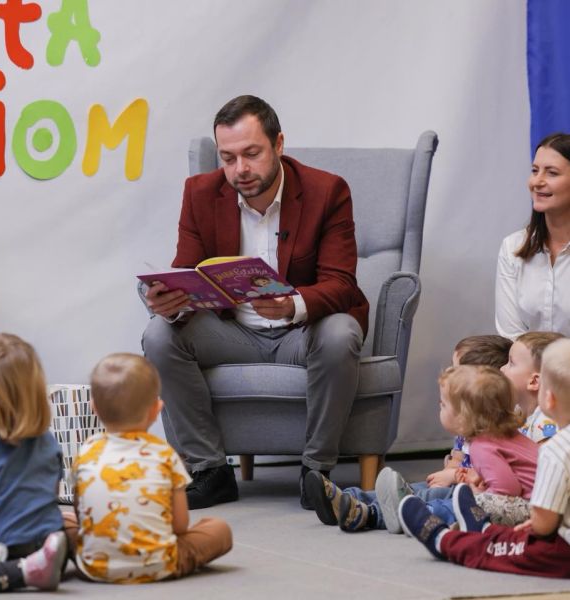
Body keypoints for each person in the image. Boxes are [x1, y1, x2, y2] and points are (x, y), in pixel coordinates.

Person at [141, 95, 369, 510]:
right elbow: (187, 271)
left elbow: (341, 284)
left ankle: (315, 472)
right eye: (228, 158)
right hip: (232, 332)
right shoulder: (200, 193)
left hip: (302, 332)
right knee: (159, 335)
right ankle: (210, 471)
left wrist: (293, 304)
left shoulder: (327, 191)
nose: (240, 169)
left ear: (278, 144)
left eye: (251, 154)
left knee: (342, 332)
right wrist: (169, 300)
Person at [399, 338, 570, 578]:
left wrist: (482, 497)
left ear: (548, 399)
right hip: (551, 519)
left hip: (561, 544)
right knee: (507, 532)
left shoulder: (556, 449)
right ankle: (483, 527)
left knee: (506, 548)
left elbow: (540, 521)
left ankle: (443, 540)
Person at [305, 334, 511, 531]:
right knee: (416, 488)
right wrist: (448, 472)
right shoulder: (466, 427)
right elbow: (457, 458)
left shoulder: (495, 436)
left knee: (427, 498)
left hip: (472, 495)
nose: (449, 373)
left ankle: (369, 514)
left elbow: (490, 481)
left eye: (455, 370)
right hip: (455, 484)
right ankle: (349, 498)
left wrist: (454, 476)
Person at [72, 353, 232, 583]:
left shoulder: (86, 452)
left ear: (94, 408)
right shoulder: (165, 454)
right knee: (218, 529)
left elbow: (81, 515)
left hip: (94, 567)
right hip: (160, 565)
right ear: (156, 409)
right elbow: (180, 525)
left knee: (64, 522)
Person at [0, 333, 68, 593]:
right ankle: (43, 561)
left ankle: (22, 571)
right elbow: (51, 497)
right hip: (50, 545)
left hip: (5, 553)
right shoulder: (49, 442)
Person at [496, 133, 570, 339]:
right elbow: (511, 336)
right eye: (535, 171)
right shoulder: (512, 247)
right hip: (525, 359)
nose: (537, 181)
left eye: (552, 173)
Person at [500, 331, 564, 443]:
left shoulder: (546, 423)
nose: (501, 368)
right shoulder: (518, 408)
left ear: (534, 381)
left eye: (511, 363)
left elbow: (541, 455)